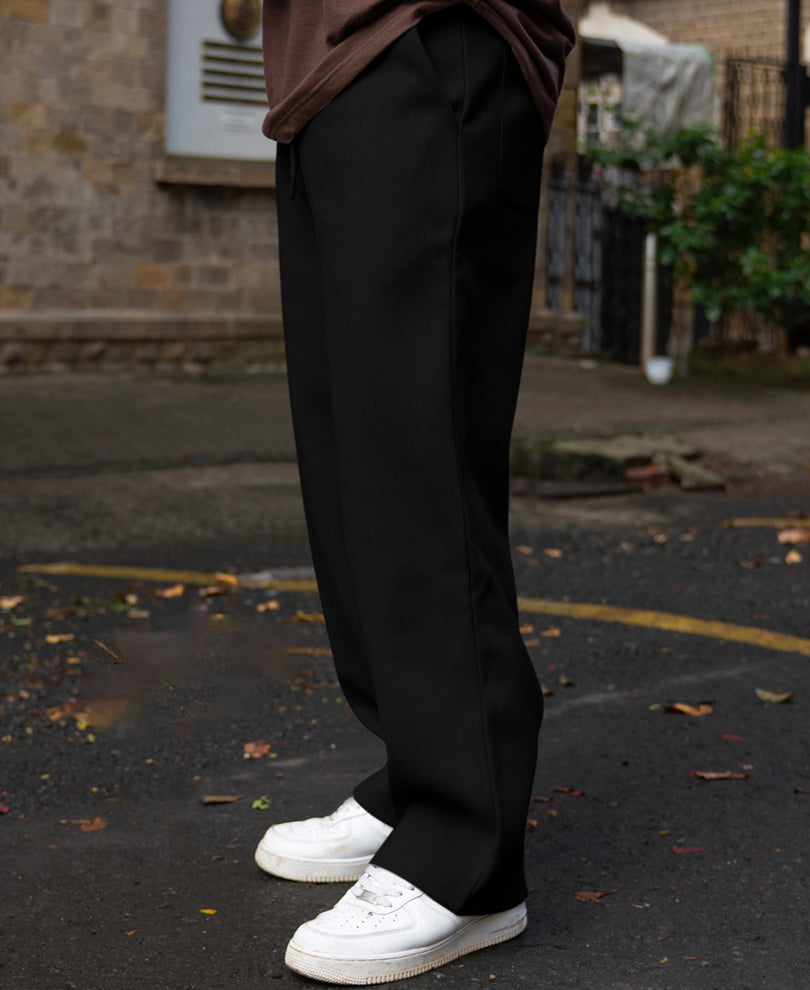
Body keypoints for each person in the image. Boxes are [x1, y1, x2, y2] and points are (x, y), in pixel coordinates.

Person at [256, 1, 575, 983]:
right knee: (351, 456)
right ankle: (418, 772)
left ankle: (467, 852)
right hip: (324, 71)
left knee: (417, 454)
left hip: (432, 36)